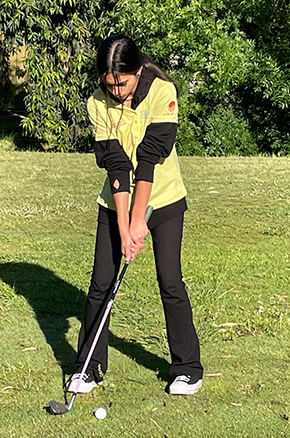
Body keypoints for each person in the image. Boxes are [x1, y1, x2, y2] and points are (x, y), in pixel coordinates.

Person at [66, 35, 204, 396]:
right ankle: (89, 367)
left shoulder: (162, 90)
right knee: (100, 284)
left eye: (123, 83)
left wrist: (138, 221)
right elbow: (116, 164)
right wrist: (124, 224)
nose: (117, 91)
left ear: (138, 69)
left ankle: (188, 368)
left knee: (170, 281)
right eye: (109, 83)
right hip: (115, 202)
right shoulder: (97, 103)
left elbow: (148, 158)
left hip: (165, 199)